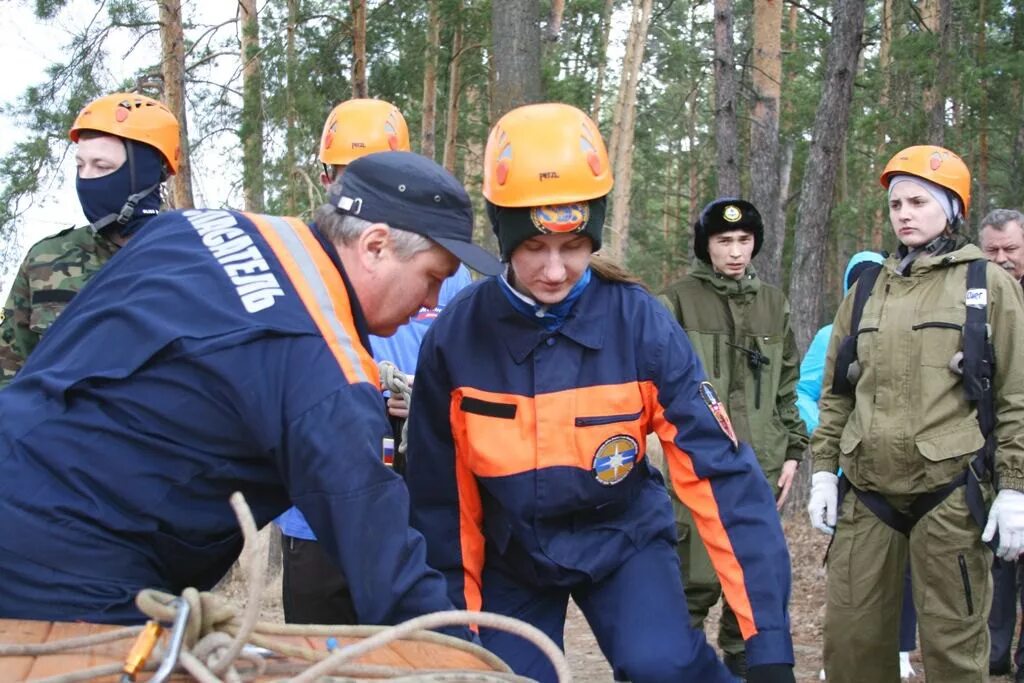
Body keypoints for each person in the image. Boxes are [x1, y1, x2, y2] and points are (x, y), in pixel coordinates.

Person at [0, 150, 503, 628]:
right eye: (432, 278)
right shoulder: (327, 373)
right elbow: (383, 560)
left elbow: (64, 341)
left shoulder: (196, 227)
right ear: (374, 246)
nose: (431, 302)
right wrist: (464, 660)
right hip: (70, 569)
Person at [405, 102, 796, 683]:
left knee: (661, 666)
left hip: (623, 541)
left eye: (574, 245)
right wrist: (456, 639)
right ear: (504, 237)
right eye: (535, 248)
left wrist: (768, 645)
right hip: (512, 556)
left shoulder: (641, 326)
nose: (556, 271)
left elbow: (723, 477)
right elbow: (441, 506)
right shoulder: (457, 339)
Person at [807, 145, 1024, 681]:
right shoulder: (865, 291)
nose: (903, 213)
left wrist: (1015, 488)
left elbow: (1015, 396)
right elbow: (837, 392)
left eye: (919, 202)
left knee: (955, 647)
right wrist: (822, 475)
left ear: (952, 208)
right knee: (853, 648)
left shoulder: (986, 285)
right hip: (866, 494)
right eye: (896, 204)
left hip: (949, 496)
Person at [274, 97, 470, 625]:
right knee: (323, 641)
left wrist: (424, 397)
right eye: (344, 178)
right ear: (324, 179)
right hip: (319, 480)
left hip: (416, 465)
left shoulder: (448, 270)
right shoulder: (294, 262)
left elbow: (464, 365)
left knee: (406, 626)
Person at [659, 198, 807, 677]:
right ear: (707, 247)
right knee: (692, 584)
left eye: (744, 241)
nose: (736, 251)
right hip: (696, 470)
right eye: (725, 241)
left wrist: (792, 453)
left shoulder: (773, 303)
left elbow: (788, 384)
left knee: (756, 589)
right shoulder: (677, 300)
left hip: (760, 467)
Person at [0, 92, 180, 387]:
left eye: (103, 166)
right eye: (80, 166)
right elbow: (9, 372)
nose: (87, 180)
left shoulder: (193, 256)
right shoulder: (46, 259)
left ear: (147, 172)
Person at [797, 251, 919, 681]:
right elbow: (806, 392)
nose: (865, 285)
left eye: (873, 276)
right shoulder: (832, 332)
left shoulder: (905, 324)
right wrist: (834, 437)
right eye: (857, 278)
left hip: (901, 468)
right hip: (850, 472)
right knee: (852, 569)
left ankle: (902, 647)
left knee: (905, 566)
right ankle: (846, 653)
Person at [979, 208, 1024, 679]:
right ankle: (991, 656)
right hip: (989, 451)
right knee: (996, 560)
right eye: (992, 250)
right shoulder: (973, 299)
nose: (1002, 258)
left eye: (1010, 249)